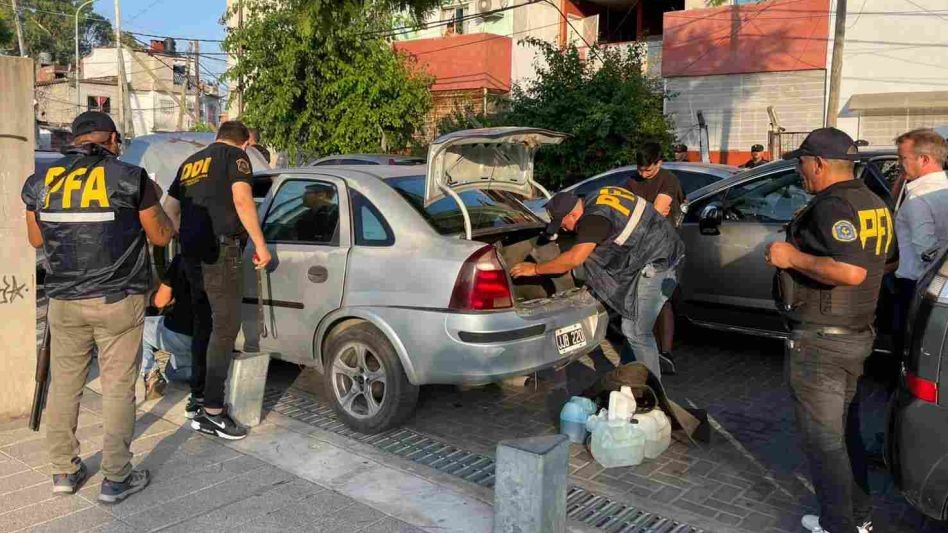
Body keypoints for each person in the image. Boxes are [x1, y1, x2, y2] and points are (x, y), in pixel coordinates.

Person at [21, 111, 175, 502]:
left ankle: (63, 472)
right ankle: (116, 477)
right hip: (117, 299)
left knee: (64, 387)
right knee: (118, 388)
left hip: (64, 301)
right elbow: (159, 236)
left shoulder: (41, 182)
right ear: (109, 139)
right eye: (118, 139)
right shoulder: (129, 177)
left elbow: (36, 240)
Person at [766, 128, 892, 533]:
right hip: (856, 334)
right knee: (845, 431)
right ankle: (858, 516)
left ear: (818, 163)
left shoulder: (832, 206)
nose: (800, 171)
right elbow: (887, 262)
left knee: (824, 442)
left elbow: (851, 271)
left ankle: (838, 524)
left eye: (802, 163)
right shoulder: (874, 202)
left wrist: (791, 257)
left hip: (822, 340)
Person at [163, 121, 272, 440]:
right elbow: (242, 199)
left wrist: (186, 238)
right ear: (246, 142)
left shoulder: (190, 162)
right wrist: (261, 245)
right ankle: (213, 413)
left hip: (193, 255)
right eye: (249, 146)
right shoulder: (235, 157)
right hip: (222, 253)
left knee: (204, 326)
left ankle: (197, 402)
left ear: (216, 137)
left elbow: (169, 210)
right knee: (225, 328)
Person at [510, 187, 684, 379]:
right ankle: (628, 376)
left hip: (662, 263)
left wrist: (534, 269)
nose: (563, 228)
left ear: (573, 213)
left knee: (635, 329)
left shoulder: (593, 220)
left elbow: (574, 259)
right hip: (662, 249)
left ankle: (651, 392)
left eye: (562, 223)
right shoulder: (595, 196)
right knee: (631, 319)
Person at [626, 142, 686, 374]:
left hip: (663, 248)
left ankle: (666, 352)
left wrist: (637, 216)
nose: (643, 174)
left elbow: (659, 210)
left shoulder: (668, 180)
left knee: (662, 300)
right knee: (640, 298)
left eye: (648, 170)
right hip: (638, 247)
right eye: (640, 169)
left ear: (659, 163)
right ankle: (642, 350)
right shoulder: (632, 181)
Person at [892, 129, 948, 356]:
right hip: (937, 287)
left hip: (916, 285)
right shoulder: (942, 190)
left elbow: (928, 253)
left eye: (902, 158)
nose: (899, 164)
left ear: (924, 159)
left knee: (907, 351)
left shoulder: (918, 200)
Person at [141, 254, 207, 399]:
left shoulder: (182, 259)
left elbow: (160, 302)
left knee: (139, 327)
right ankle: (199, 371)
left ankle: (150, 372)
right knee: (171, 371)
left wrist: (149, 297)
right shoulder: (227, 256)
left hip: (183, 332)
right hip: (211, 337)